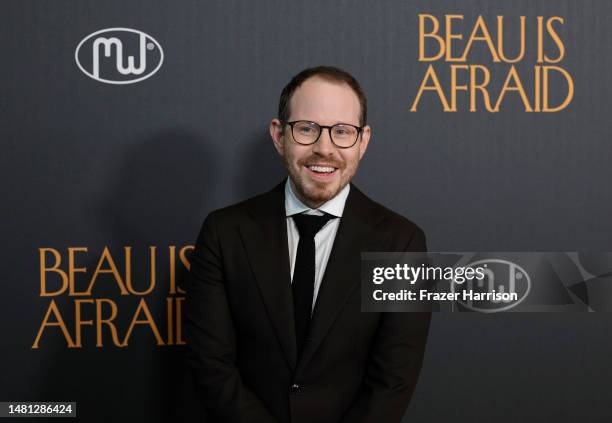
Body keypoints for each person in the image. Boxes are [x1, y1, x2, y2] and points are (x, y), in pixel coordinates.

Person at [184, 66, 430, 423]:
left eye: (342, 132)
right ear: (279, 135)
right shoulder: (224, 232)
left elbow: (393, 382)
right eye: (307, 129)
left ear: (363, 142)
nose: (324, 148)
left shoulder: (402, 243)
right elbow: (211, 366)